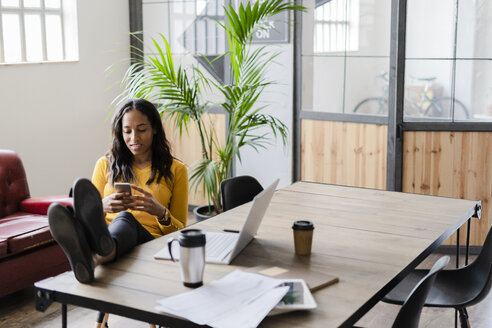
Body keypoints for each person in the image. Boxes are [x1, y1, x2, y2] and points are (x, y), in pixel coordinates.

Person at [48, 98, 188, 285]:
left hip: (150, 243)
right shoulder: (105, 164)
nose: (134, 138)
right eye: (127, 131)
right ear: (120, 132)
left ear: (154, 128)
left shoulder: (176, 169)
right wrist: (102, 207)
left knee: (125, 219)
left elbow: (182, 231)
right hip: (108, 237)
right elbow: (90, 215)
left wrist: (160, 213)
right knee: (105, 218)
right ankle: (96, 253)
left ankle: (93, 257)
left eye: (142, 129)